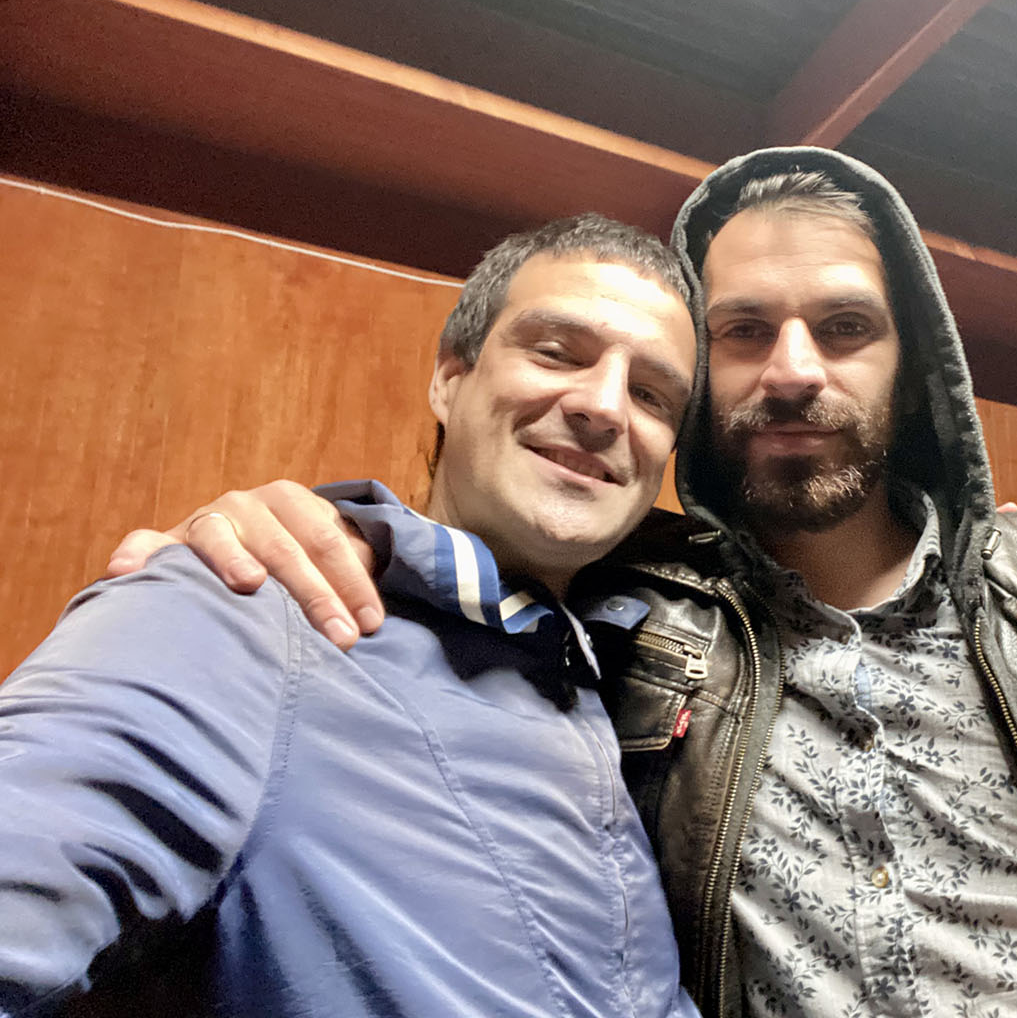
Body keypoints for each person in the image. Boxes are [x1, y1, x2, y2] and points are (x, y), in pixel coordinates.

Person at [106, 149, 1017, 1017]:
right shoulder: (616, 593)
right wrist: (264, 530)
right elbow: (452, 559)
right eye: (743, 330)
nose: (794, 369)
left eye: (845, 327)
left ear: (913, 372)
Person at [0, 214, 704, 1017]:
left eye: (651, 394)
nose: (606, 406)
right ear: (450, 378)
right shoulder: (245, 607)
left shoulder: (616, 676)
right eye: (556, 351)